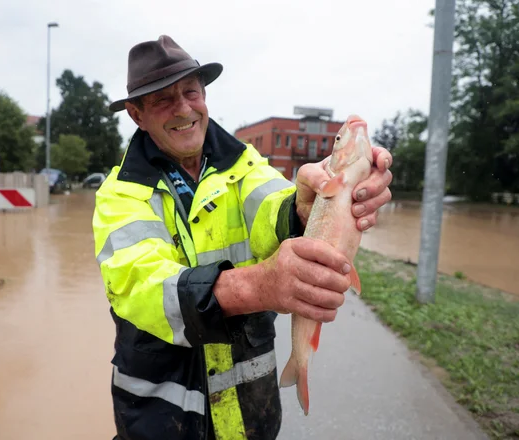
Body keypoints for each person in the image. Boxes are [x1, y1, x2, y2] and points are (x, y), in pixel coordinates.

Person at [92, 35, 393, 440]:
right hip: (159, 426)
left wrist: (304, 207)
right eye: (163, 99)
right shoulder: (119, 194)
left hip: (253, 421)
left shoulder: (246, 164)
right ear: (136, 114)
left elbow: (274, 206)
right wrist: (261, 285)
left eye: (191, 92)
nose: (183, 108)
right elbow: (140, 285)